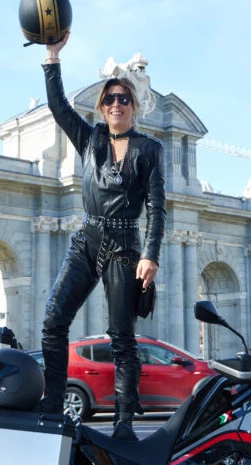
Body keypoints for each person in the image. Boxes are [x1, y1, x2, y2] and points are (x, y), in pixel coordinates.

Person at [40, 32, 166, 440]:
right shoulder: (90, 139)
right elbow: (59, 107)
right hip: (87, 240)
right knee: (53, 320)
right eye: (110, 98)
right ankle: (52, 407)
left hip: (125, 248)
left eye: (123, 98)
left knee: (122, 339)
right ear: (102, 105)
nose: (116, 104)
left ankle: (123, 424)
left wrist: (150, 254)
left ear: (134, 106)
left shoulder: (149, 149)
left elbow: (157, 206)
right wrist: (52, 57)